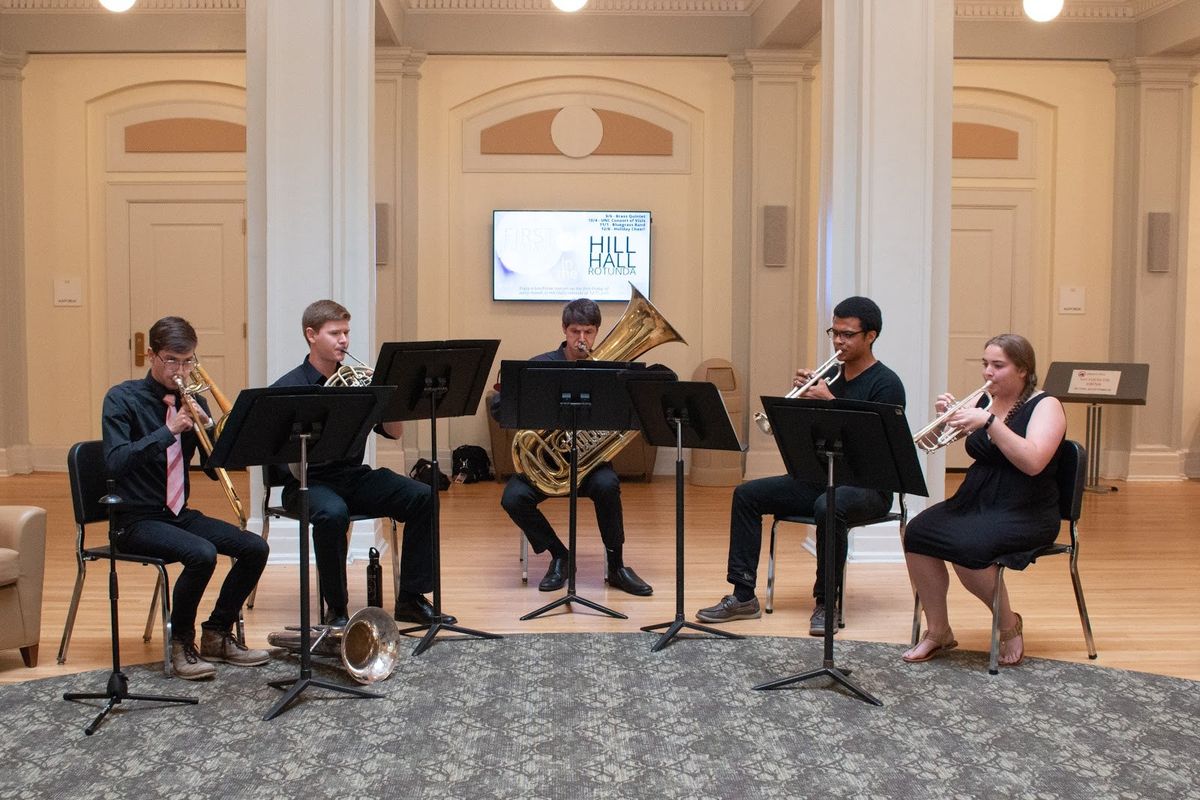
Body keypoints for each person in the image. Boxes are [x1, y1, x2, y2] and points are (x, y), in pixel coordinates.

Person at [696, 296, 905, 633]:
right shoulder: (830, 378)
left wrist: (831, 403)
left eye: (848, 334)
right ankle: (743, 594)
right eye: (834, 332)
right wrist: (799, 407)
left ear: (871, 336)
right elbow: (807, 441)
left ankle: (826, 603)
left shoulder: (886, 384)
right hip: (821, 477)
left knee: (829, 505)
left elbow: (874, 451)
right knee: (747, 495)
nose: (838, 341)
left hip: (868, 487)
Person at [102, 316, 271, 680]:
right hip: (135, 518)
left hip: (178, 513)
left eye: (189, 360)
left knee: (254, 547)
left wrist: (222, 441)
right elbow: (115, 462)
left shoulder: (191, 402)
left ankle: (217, 633)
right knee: (202, 554)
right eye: (172, 360)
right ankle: (180, 642)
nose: (181, 370)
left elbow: (212, 469)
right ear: (151, 355)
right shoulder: (121, 399)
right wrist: (168, 431)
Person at [271, 299, 453, 629]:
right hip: (306, 482)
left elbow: (394, 434)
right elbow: (276, 458)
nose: (344, 340)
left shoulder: (357, 381)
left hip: (351, 476)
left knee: (423, 497)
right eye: (335, 333)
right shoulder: (288, 387)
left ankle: (411, 598)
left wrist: (390, 398)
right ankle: (337, 609)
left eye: (347, 333)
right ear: (311, 335)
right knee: (332, 513)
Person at [901, 333, 1066, 667]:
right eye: (985, 364)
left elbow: (1033, 462)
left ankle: (1008, 624)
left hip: (1026, 508)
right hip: (975, 500)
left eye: (998, 365)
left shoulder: (1045, 405)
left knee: (967, 548)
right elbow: (929, 443)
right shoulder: (983, 401)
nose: (988, 372)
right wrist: (944, 418)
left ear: (1023, 370)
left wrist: (989, 424)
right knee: (917, 533)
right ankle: (938, 631)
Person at [495, 298, 653, 596]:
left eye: (589, 332)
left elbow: (629, 414)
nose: (582, 339)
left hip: (590, 464)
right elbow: (499, 407)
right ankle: (560, 555)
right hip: (549, 467)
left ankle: (617, 565)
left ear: (597, 333)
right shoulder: (541, 366)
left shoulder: (609, 371)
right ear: (564, 329)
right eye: (576, 331)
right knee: (512, 497)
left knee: (608, 485)